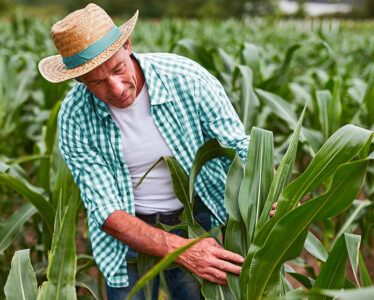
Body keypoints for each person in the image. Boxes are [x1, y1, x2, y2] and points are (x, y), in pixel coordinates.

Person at [38, 3, 260, 300]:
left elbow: (240, 147)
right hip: (127, 230)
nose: (116, 88)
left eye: (118, 69)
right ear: (79, 79)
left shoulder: (187, 80)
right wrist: (181, 251)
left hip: (193, 219)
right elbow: (105, 209)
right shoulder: (74, 117)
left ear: (128, 45)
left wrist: (268, 190)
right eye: (97, 82)